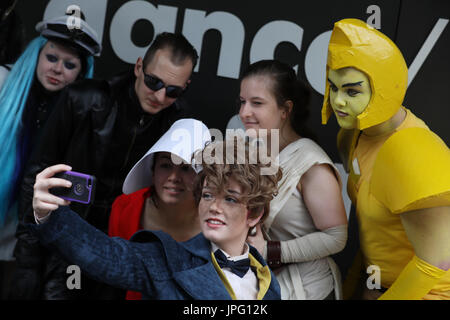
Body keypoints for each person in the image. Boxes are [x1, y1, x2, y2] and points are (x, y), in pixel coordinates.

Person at [11, 31, 198, 299]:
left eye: (172, 91)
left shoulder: (179, 126)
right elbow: (38, 172)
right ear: (138, 67)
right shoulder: (83, 99)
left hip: (122, 250)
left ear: (185, 86)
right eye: (153, 82)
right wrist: (28, 254)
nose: (159, 95)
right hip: (65, 238)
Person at [28, 137, 282, 300]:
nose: (214, 207)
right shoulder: (166, 260)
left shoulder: (268, 284)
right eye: (207, 195)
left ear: (254, 214)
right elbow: (106, 255)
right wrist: (47, 215)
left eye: (229, 199)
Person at [321, 18, 450, 300]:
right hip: (380, 284)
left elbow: (435, 264)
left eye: (352, 91)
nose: (338, 101)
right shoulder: (351, 135)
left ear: (383, 89)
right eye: (334, 87)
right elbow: (374, 233)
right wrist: (356, 285)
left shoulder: (414, 150)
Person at [0, 14, 100, 299]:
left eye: (70, 65)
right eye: (51, 58)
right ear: (37, 55)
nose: (57, 69)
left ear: (81, 74)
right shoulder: (3, 82)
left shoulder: (81, 115)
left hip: (24, 236)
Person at [239, 60, 348, 300]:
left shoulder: (311, 163)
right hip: (266, 287)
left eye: (257, 103)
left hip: (310, 291)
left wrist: (272, 251)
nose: (244, 112)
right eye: (243, 101)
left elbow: (337, 237)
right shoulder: (256, 154)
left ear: (285, 110)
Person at [109, 118, 211, 299]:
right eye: (165, 165)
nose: (174, 177)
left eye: (186, 168)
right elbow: (113, 269)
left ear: (202, 177)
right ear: (152, 169)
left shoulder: (218, 217)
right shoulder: (125, 207)